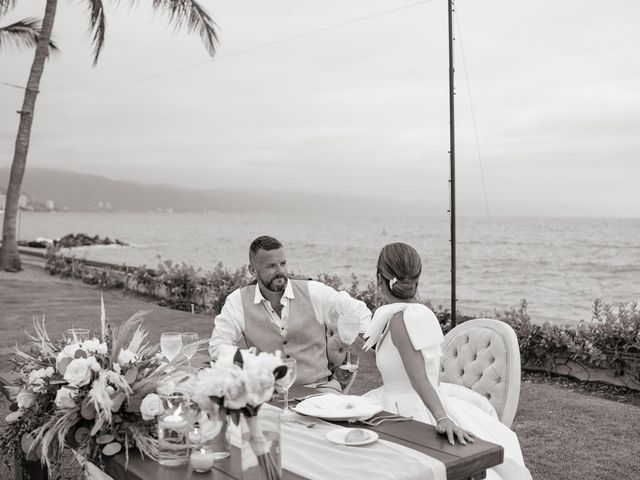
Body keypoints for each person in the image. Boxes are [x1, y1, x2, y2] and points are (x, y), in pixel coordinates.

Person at [363, 242, 531, 480]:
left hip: (405, 409)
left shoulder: (401, 320)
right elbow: (397, 365)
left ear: (380, 279)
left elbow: (418, 379)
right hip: (410, 398)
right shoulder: (411, 314)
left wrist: (442, 418)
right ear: (416, 280)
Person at [208, 235, 371, 391]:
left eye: (283, 263)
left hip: (317, 393)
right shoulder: (238, 301)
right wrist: (253, 361)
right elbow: (218, 345)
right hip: (268, 394)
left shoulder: (314, 292)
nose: (280, 271)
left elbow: (360, 313)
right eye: (271, 266)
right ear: (252, 270)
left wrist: (347, 348)